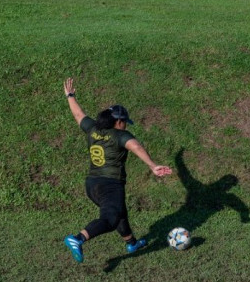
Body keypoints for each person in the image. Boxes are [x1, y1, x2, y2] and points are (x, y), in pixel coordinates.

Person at [62, 77, 172, 263]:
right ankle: (78, 238)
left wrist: (70, 96)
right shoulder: (120, 135)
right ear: (119, 121)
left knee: (119, 211)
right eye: (125, 121)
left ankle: (132, 243)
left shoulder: (93, 128)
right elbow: (135, 146)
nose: (126, 124)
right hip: (110, 184)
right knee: (111, 218)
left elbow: (78, 115)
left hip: (92, 185)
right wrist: (153, 166)